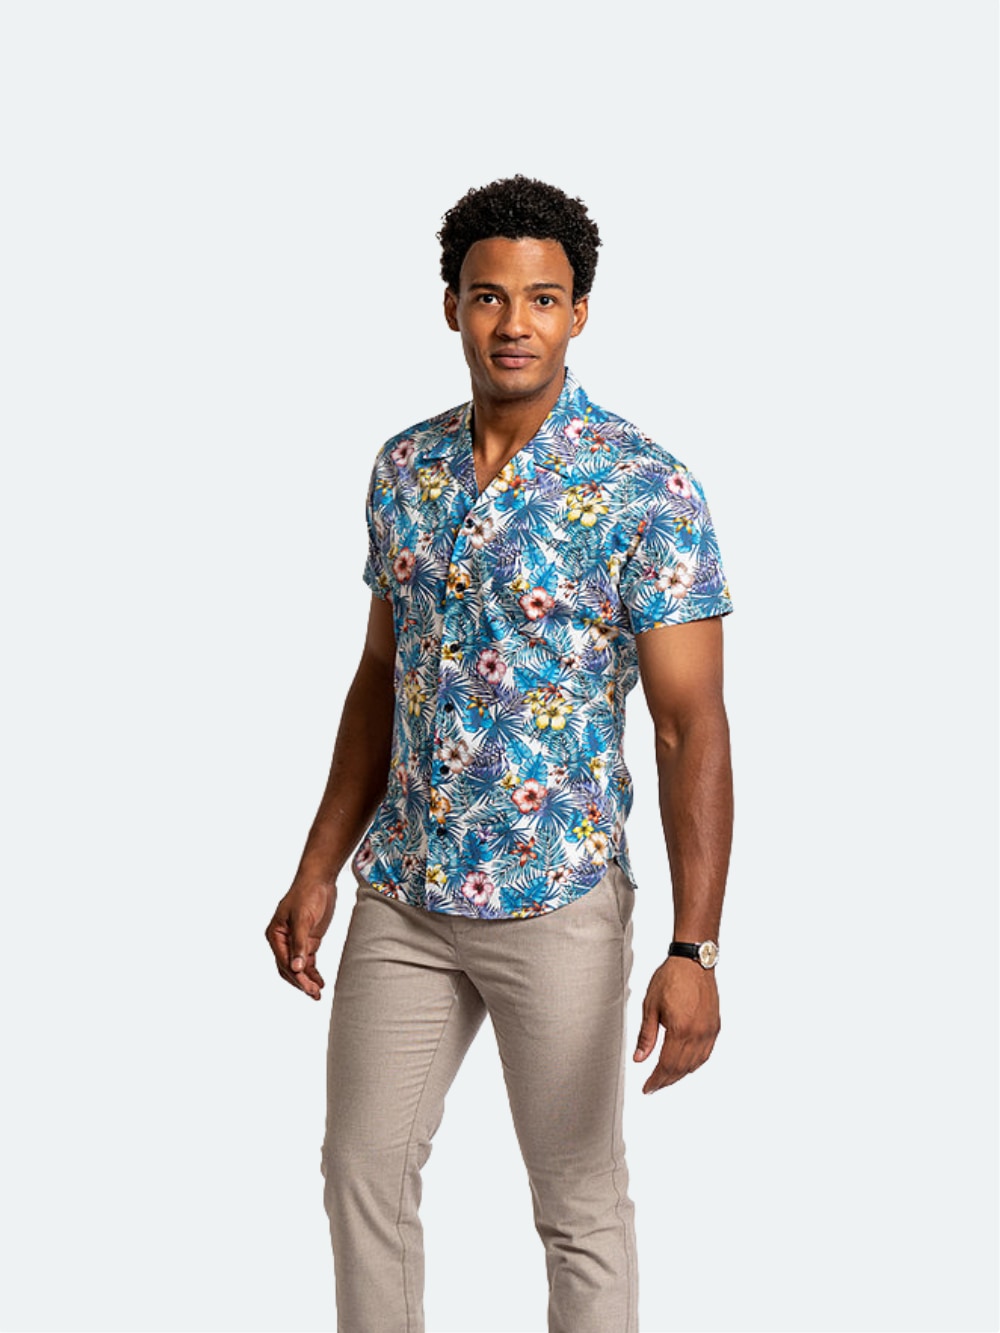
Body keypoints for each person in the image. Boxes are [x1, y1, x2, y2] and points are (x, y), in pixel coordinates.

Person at [265, 174, 734, 1333]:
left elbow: (690, 726)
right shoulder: (404, 469)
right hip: (405, 893)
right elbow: (381, 679)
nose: (513, 322)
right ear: (451, 308)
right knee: (361, 1174)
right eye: (488, 296)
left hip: (555, 897)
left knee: (577, 1203)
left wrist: (693, 945)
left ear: (579, 314)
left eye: (541, 298)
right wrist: (318, 868)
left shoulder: (646, 488)